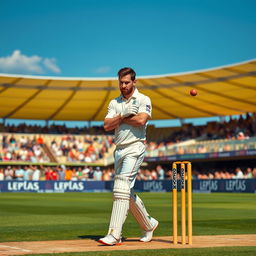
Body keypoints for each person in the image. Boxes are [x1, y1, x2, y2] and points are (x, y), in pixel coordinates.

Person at [98, 67, 158, 246]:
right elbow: (107, 125)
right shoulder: (114, 102)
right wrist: (123, 114)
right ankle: (149, 224)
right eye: (121, 83)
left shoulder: (143, 99)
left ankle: (114, 234)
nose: (123, 86)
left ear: (134, 82)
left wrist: (121, 119)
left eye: (126, 82)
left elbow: (141, 120)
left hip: (135, 146)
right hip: (119, 149)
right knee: (125, 191)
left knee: (120, 187)